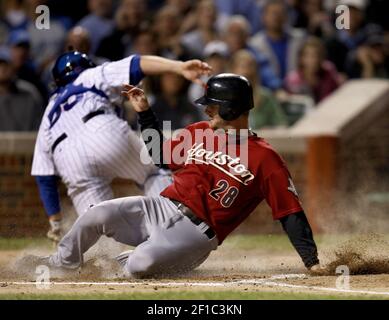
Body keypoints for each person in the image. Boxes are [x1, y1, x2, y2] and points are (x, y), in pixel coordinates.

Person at [22, 73, 323, 277]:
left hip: (196, 234)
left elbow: (290, 212)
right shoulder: (197, 132)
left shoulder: (265, 157)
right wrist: (144, 112)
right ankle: (60, 263)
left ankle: (111, 267)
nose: (207, 112)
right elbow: (158, 155)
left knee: (140, 265)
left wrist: (311, 262)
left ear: (232, 108)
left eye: (213, 107)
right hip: (160, 205)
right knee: (96, 214)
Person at [31, 50, 211, 243]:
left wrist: (56, 221)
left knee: (99, 227)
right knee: (154, 170)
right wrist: (178, 66)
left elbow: (44, 176)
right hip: (101, 130)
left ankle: (108, 260)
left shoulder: (49, 111)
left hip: (67, 158)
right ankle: (175, 229)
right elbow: (137, 63)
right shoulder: (91, 75)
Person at [249, 0, 306, 81]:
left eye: (280, 13)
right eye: (273, 13)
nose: (276, 17)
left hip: (298, 88)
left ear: (286, 16)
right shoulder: (254, 44)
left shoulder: (299, 39)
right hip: (268, 90)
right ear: (263, 17)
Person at [230, 49, 287, 129]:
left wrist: (269, 130)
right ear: (233, 70)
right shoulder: (224, 98)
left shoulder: (265, 96)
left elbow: (282, 124)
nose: (247, 71)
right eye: (242, 67)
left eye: (250, 67)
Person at [284, 37, 341, 104]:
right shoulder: (293, 80)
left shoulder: (329, 71)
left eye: (316, 56)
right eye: (308, 56)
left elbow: (338, 95)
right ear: (301, 58)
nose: (313, 60)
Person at [0, 46, 44, 131]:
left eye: (6, 64)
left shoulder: (29, 93)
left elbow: (39, 127)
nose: (2, 68)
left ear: (13, 67)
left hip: (26, 143)